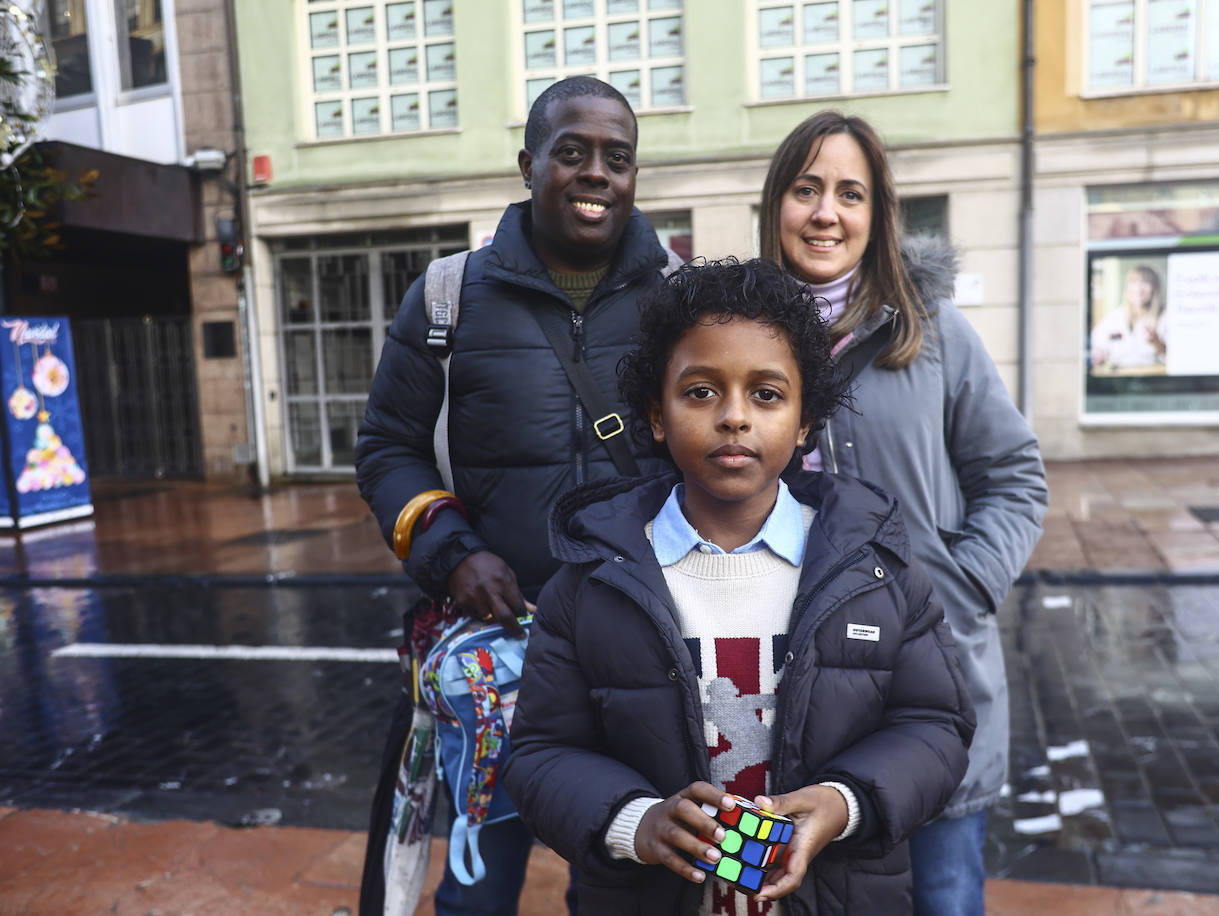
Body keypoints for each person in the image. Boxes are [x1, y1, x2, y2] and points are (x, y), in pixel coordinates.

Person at [505, 257, 976, 915]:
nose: (733, 417)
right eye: (701, 391)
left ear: (806, 420)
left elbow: (936, 725)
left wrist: (842, 804)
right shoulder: (592, 580)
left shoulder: (873, 569)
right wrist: (634, 822)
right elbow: (538, 752)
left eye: (767, 394)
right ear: (658, 414)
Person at [355, 75, 675, 916]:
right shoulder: (447, 296)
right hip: (498, 662)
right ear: (530, 164)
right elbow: (386, 448)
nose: (596, 173)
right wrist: (451, 552)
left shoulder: (682, 302)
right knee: (475, 895)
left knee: (621, 889)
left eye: (618, 158)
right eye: (572, 153)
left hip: (637, 659)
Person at [759, 112, 1048, 916]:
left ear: (877, 213)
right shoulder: (742, 333)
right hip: (797, 689)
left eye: (850, 193)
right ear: (775, 202)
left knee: (944, 897)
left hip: (933, 683)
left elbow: (1016, 475)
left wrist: (963, 584)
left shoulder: (934, 330)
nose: (826, 213)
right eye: (806, 188)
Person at [1089, 264, 1168, 372]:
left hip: (1155, 380)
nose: (1138, 288)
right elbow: (1096, 347)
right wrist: (1098, 355)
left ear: (1155, 288)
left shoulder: (1165, 317)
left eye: (1145, 282)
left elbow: (1179, 359)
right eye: (1134, 282)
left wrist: (1157, 343)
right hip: (1119, 382)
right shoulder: (1114, 318)